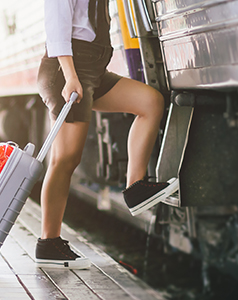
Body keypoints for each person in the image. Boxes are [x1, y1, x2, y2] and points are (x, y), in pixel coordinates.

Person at [35, 0, 178, 269]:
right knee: (65, 159)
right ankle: (48, 242)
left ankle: (135, 188)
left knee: (150, 102)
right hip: (68, 70)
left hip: (93, 69)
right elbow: (56, 27)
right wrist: (70, 76)